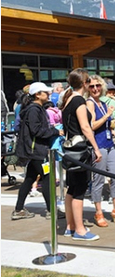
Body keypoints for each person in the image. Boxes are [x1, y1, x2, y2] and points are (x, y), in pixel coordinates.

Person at [11, 82, 64, 220]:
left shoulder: (36, 108)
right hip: (36, 150)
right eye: (45, 92)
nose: (48, 94)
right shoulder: (34, 109)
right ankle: (51, 210)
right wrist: (54, 131)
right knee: (47, 178)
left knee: (30, 178)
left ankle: (18, 209)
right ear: (37, 94)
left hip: (35, 150)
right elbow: (36, 130)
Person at [60, 68, 102, 241]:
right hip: (80, 150)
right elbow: (86, 127)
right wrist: (96, 148)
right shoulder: (79, 101)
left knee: (72, 189)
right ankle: (80, 230)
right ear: (84, 84)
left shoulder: (68, 100)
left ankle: (71, 226)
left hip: (70, 149)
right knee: (79, 190)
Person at [86, 75, 115, 227]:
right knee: (98, 179)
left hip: (109, 143)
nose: (95, 89)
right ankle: (98, 212)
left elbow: (105, 125)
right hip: (98, 145)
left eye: (98, 85)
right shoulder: (90, 103)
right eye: (92, 86)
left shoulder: (103, 103)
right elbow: (91, 125)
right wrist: (107, 116)